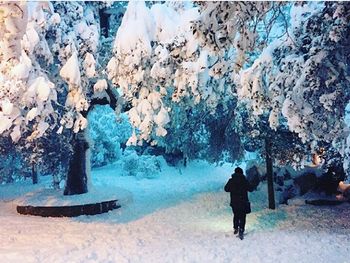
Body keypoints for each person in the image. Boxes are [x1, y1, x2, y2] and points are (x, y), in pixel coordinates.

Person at [224, 167, 253, 240]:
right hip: (243, 201)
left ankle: (236, 228)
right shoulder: (244, 180)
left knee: (236, 215)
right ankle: (241, 230)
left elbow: (226, 189)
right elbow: (251, 189)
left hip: (234, 202)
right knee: (243, 216)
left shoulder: (231, 180)